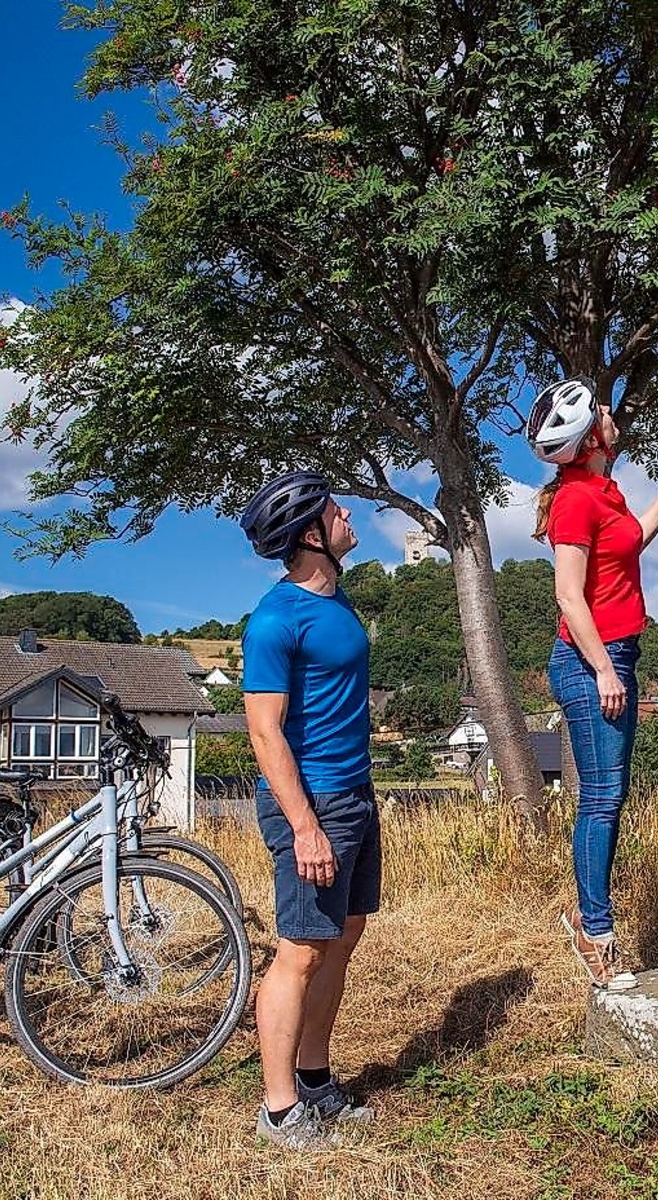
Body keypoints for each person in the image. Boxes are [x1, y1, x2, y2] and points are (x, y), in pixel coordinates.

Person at [239, 470, 379, 1149]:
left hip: (354, 795)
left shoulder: (336, 599)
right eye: (333, 509)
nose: (347, 512)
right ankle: (279, 1109)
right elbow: (265, 732)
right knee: (298, 952)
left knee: (341, 939)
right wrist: (304, 827)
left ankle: (315, 1078)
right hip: (311, 803)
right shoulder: (275, 619)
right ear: (311, 537)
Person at [529, 378, 658, 991]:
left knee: (609, 796)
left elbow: (631, 542)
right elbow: (569, 595)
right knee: (600, 799)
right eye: (601, 412)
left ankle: (591, 921)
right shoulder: (574, 500)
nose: (610, 415)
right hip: (589, 660)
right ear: (592, 437)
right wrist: (602, 670)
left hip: (617, 654)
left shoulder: (603, 491)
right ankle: (593, 932)